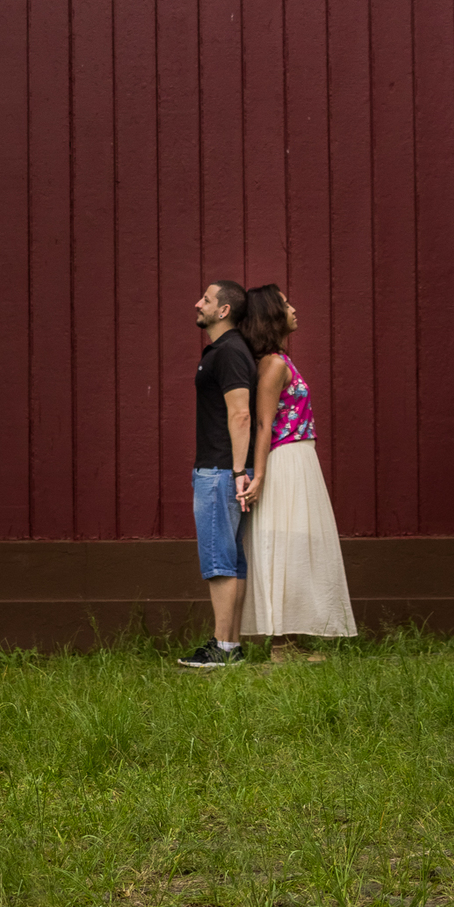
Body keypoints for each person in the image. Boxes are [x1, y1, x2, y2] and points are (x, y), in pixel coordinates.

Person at [239, 284, 356, 660]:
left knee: (297, 545)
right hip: (284, 460)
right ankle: (280, 646)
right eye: (286, 304)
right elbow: (263, 423)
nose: (293, 309)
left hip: (299, 456)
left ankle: (289, 642)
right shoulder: (273, 365)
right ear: (272, 315)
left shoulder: (281, 361)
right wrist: (259, 476)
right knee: (285, 544)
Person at [178, 280, 257, 669]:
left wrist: (238, 470)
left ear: (224, 310)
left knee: (219, 560)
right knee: (231, 559)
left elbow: (241, 413)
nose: (198, 303)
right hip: (226, 469)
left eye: (206, 299)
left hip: (221, 470)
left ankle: (223, 648)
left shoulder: (228, 352)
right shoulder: (228, 350)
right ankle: (231, 646)